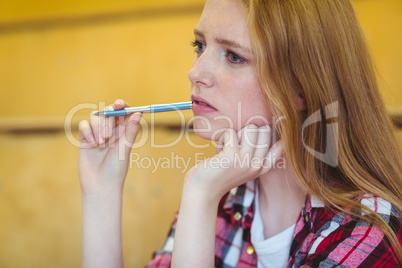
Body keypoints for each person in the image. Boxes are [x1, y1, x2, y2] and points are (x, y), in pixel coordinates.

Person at [78, 0, 402, 267]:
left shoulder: (367, 228)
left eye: (234, 56)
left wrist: (200, 195)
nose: (195, 72)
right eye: (200, 45)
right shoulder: (222, 197)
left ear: (301, 87)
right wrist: (101, 192)